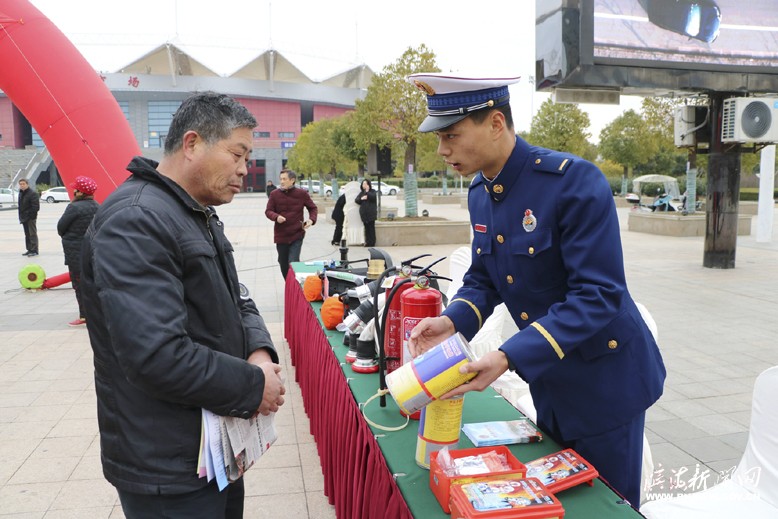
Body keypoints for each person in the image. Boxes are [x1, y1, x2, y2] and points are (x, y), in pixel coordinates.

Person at [406, 73, 666, 508]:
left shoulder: (573, 183)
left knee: (604, 505)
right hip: (550, 379)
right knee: (557, 503)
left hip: (605, 382)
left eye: (451, 135)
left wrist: (509, 356)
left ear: (494, 123)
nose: (442, 150)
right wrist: (453, 320)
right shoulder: (480, 193)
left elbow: (598, 294)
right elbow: (484, 276)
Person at [79, 91, 286, 519]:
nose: (245, 170)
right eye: (237, 154)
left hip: (213, 449)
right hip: (167, 465)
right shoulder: (137, 220)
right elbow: (156, 355)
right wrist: (253, 386)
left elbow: (236, 296)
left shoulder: (193, 212)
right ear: (192, 144)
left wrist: (260, 352)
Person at [57, 176, 99, 327]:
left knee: (78, 284)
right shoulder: (97, 206)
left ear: (79, 192)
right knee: (93, 283)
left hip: (75, 252)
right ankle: (96, 313)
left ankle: (83, 316)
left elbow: (60, 227)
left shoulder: (73, 208)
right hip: (93, 250)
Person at [265, 169, 317, 278]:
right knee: (283, 262)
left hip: (297, 234)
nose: (282, 182)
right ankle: (289, 284)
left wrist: (311, 220)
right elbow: (268, 211)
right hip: (281, 235)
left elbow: (313, 208)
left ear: (292, 180)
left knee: (293, 262)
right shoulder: (274, 194)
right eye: (281, 179)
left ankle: (295, 286)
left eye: (284, 179)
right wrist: (276, 217)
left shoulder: (302, 194)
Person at [17, 178, 40, 256]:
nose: (22, 185)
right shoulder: (20, 193)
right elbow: (20, 206)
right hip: (23, 217)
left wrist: (31, 216)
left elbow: (36, 207)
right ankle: (29, 249)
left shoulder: (32, 193)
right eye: (20, 184)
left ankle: (34, 250)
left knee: (32, 234)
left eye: (23, 184)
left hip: (30, 218)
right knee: (27, 234)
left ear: (27, 184)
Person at [354, 179, 377, 247]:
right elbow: (356, 200)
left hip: (371, 213)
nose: (363, 185)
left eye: (365, 184)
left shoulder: (373, 191)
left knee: (371, 228)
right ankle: (367, 242)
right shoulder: (362, 193)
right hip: (364, 214)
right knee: (366, 228)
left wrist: (367, 192)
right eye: (363, 184)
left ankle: (372, 242)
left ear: (368, 184)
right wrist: (362, 198)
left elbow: (373, 197)